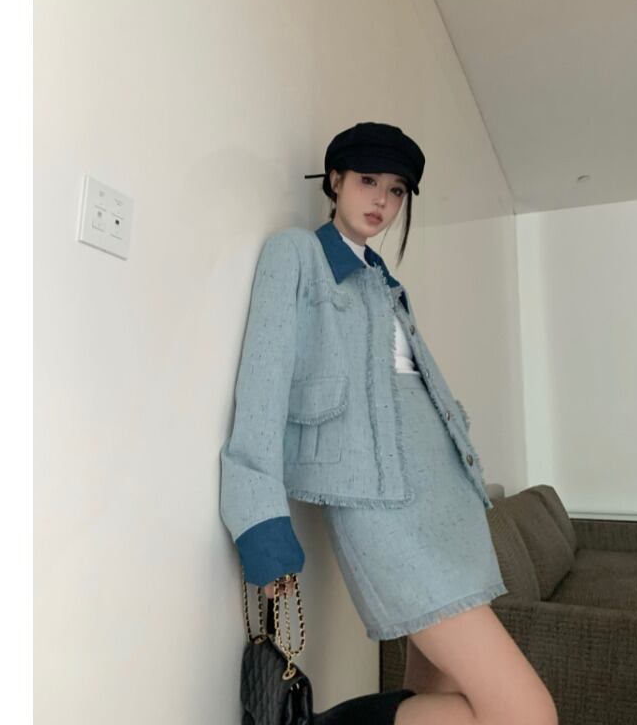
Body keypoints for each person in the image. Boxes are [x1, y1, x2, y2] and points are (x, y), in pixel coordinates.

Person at [220, 122, 558, 724]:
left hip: (447, 503)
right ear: (335, 180)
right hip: (383, 510)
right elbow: (261, 394)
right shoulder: (296, 254)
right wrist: (262, 529)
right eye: (368, 181)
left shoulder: (385, 284)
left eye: (397, 190)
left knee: (440, 695)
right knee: (526, 713)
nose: (382, 200)